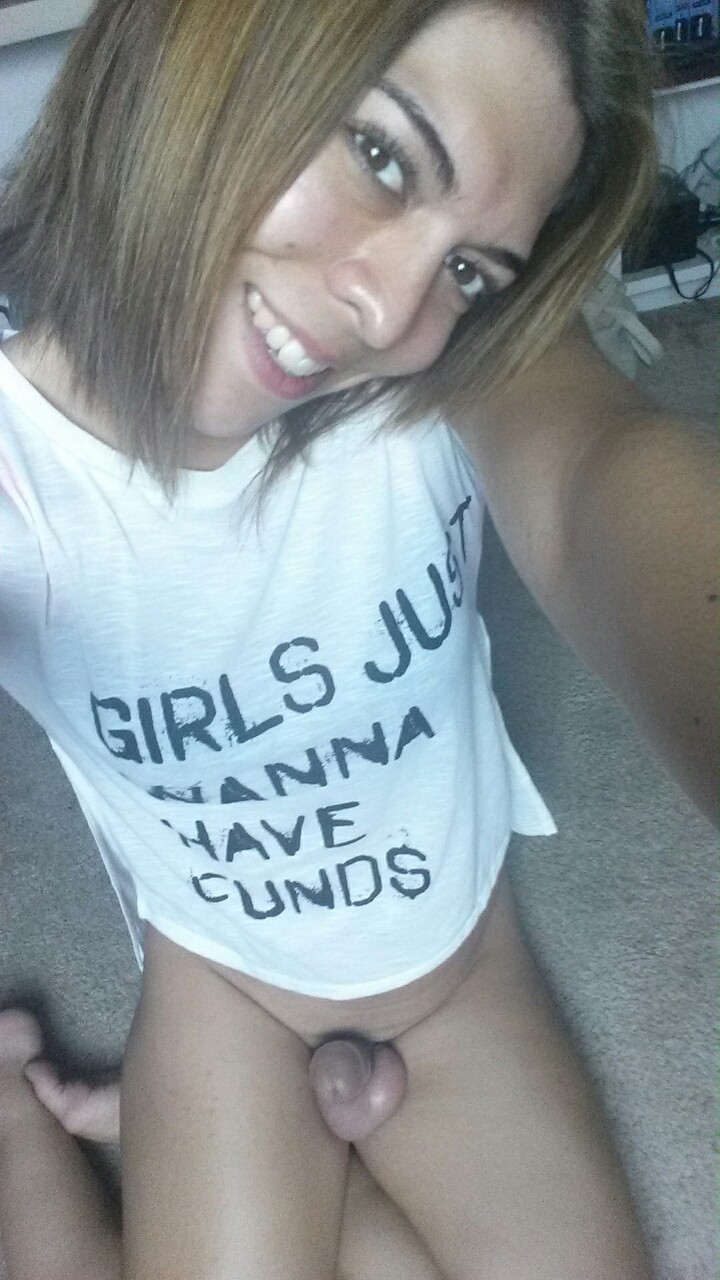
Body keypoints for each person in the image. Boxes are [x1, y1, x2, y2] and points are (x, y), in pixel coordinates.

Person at [0, 0, 716, 1277]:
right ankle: (23, 1120)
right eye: (382, 156)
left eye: (470, 269)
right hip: (229, 984)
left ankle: (202, 1148)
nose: (390, 313)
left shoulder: (446, 369)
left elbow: (592, 479)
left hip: (459, 970)